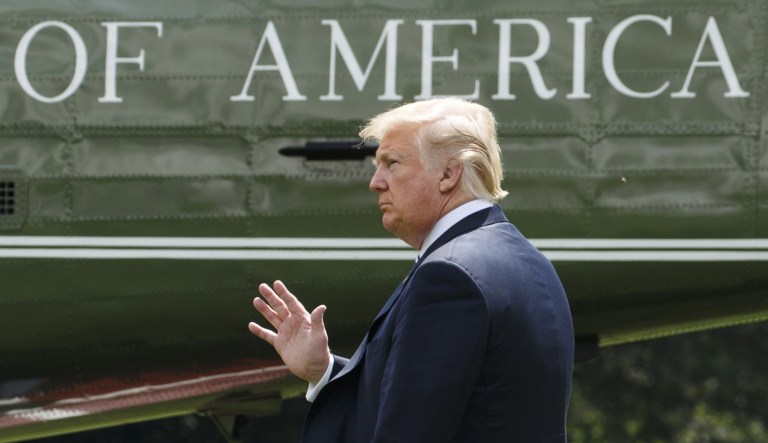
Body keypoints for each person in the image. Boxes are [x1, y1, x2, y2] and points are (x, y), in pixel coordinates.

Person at [248, 97, 574, 442]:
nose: (376, 181)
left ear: (449, 174)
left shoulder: (449, 276)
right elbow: (461, 401)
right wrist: (324, 370)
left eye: (392, 163)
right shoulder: (528, 261)